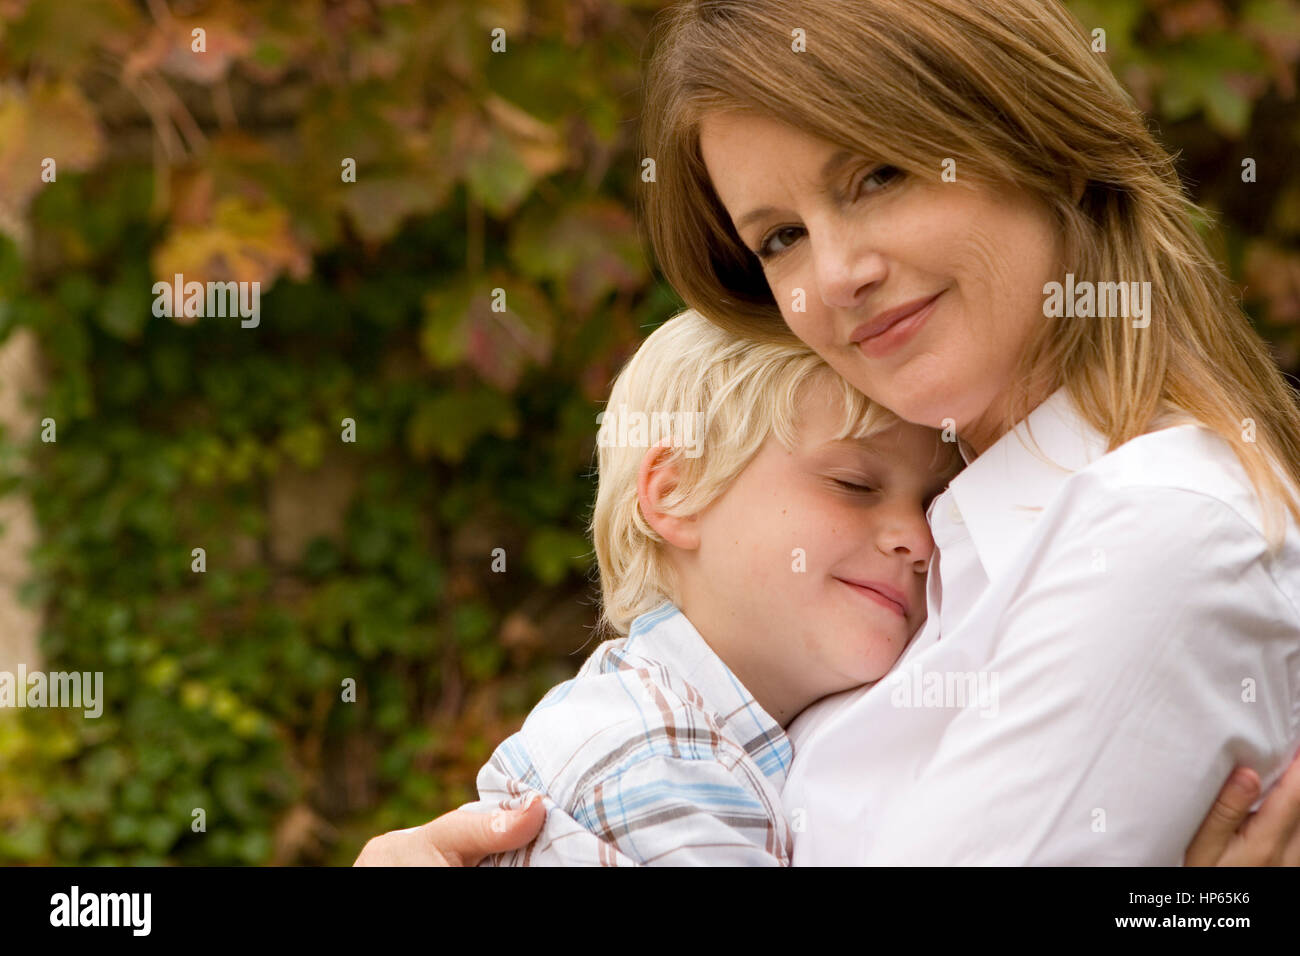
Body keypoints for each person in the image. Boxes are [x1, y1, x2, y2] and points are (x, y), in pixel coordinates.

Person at [357, 0, 1300, 865]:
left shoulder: (1155, 528)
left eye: (876, 175)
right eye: (779, 238)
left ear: (1037, 139)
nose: (835, 274)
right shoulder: (931, 562)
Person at [464, 309, 957, 864]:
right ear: (678, 493)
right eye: (855, 483)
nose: (918, 537)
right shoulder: (656, 761)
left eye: (932, 505)